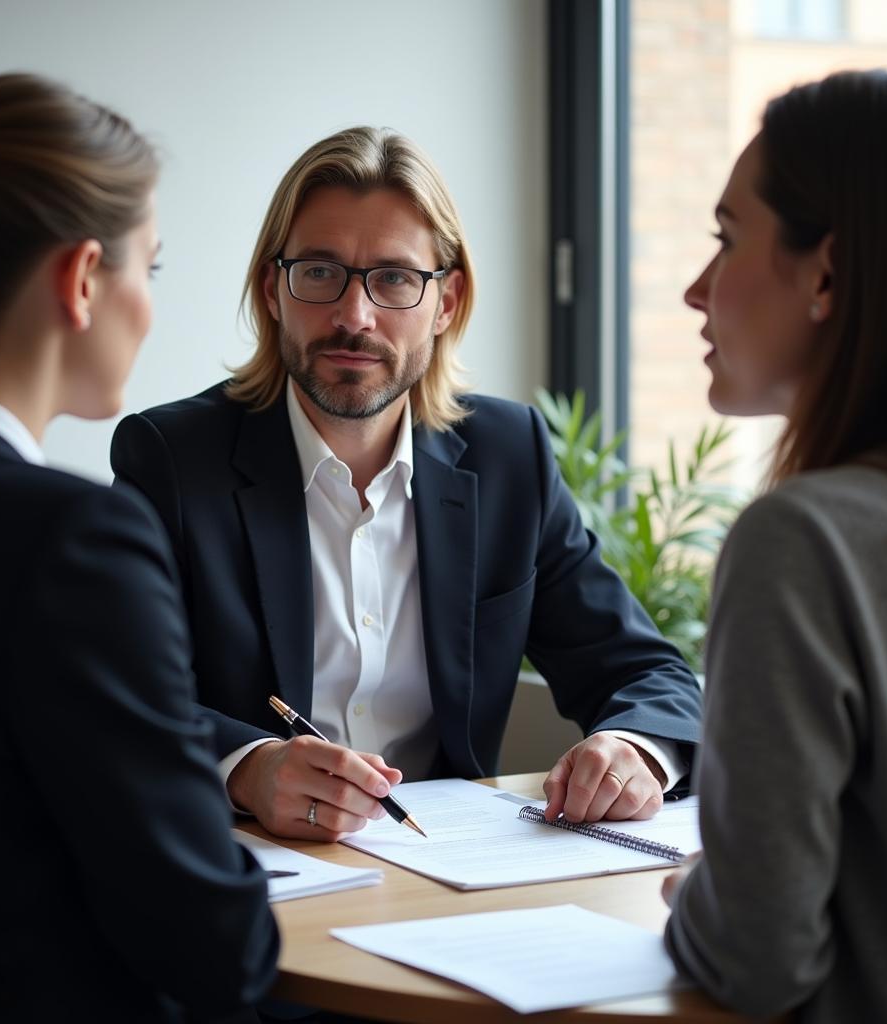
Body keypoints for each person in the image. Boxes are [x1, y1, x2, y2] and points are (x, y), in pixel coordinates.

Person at [111, 126, 702, 842]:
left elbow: (644, 671)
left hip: (449, 875)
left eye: (394, 277)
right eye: (320, 272)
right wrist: (248, 766)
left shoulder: (507, 455)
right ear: (273, 289)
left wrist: (635, 751)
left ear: (446, 302)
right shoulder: (172, 459)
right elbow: (118, 694)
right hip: (252, 868)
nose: (353, 317)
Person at [0, 73, 278, 1022]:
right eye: (147, 270)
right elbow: (215, 946)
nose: (148, 305)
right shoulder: (74, 540)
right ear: (80, 280)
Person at [662, 67, 887, 1022]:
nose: (697, 290)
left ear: (825, 273)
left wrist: (696, 895)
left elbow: (757, 956)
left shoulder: (803, 544)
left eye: (728, 239)